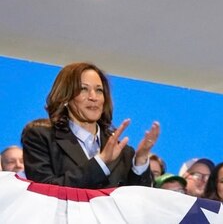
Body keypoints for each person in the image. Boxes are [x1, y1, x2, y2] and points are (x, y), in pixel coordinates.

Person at [22, 62, 160, 188]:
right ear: (66, 97)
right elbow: (44, 190)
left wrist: (140, 160)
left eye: (99, 90)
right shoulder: (41, 137)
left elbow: (136, 202)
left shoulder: (123, 152)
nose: (93, 97)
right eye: (83, 89)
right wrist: (101, 162)